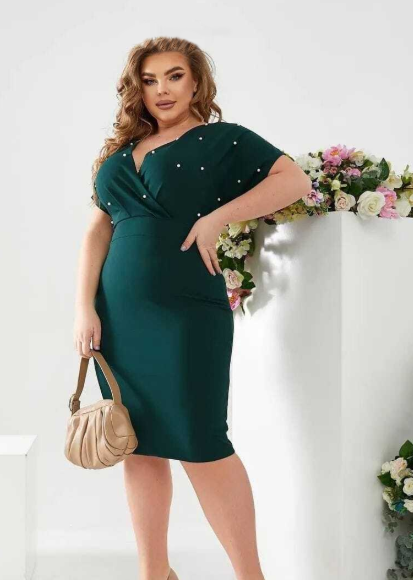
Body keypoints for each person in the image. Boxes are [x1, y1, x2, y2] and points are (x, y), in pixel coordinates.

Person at [74, 36, 311, 580]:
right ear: (137, 89)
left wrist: (218, 217)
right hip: (118, 316)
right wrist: (84, 307)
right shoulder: (119, 153)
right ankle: (154, 572)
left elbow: (293, 180)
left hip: (186, 309)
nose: (162, 89)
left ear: (197, 81)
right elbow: (97, 230)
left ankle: (250, 575)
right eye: (150, 80)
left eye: (174, 76)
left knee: (202, 442)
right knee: (137, 444)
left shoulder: (223, 140)